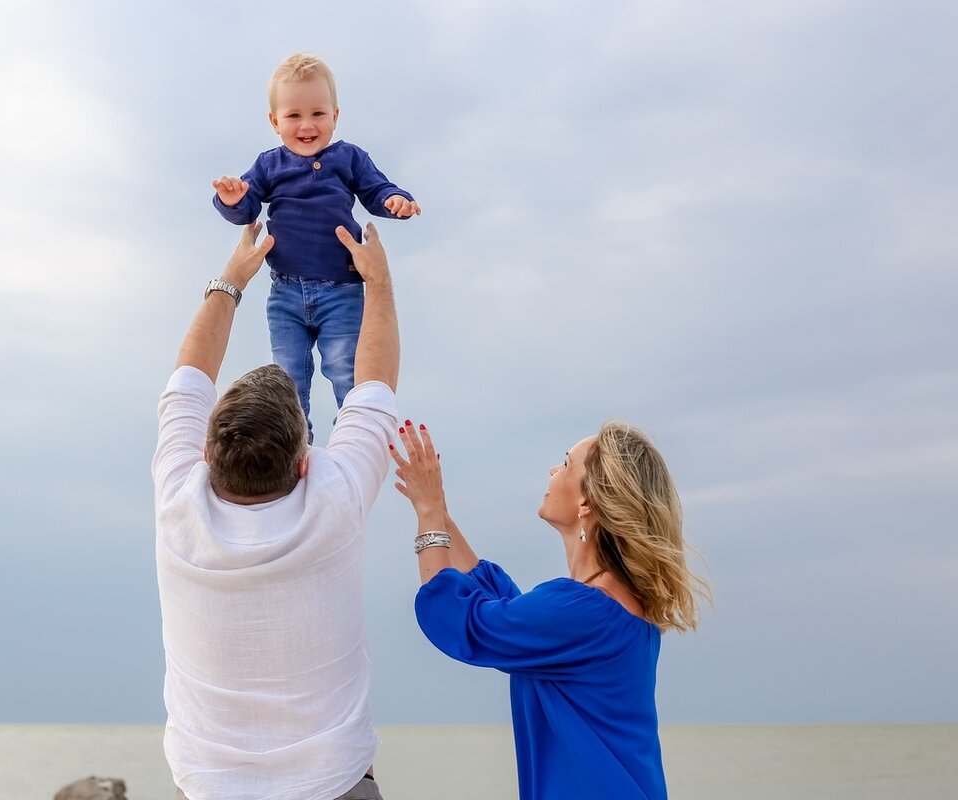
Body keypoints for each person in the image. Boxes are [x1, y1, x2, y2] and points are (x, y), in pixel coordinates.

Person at [152, 220, 400, 800]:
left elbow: (188, 380)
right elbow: (374, 384)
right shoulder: (333, 498)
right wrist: (378, 283)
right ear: (304, 463)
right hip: (336, 784)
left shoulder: (177, 505)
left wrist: (233, 278)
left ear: (205, 454)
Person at [390, 420, 710, 800]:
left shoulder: (584, 611)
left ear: (587, 502)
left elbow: (459, 619)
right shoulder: (610, 609)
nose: (553, 471)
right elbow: (503, 610)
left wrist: (428, 515)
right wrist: (439, 508)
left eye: (566, 464)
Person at [212, 52, 420, 442]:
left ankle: (355, 442)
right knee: (287, 377)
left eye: (318, 114)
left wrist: (397, 201)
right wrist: (231, 198)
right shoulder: (268, 165)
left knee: (346, 369)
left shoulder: (349, 158)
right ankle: (295, 447)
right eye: (293, 116)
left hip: (341, 291)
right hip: (285, 293)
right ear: (275, 122)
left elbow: (377, 191)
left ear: (335, 116)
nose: (307, 125)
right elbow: (245, 209)